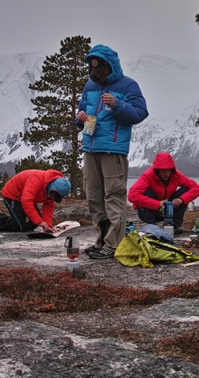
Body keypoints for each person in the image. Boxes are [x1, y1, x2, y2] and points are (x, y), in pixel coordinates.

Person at [75, 44, 148, 259]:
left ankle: (114, 245)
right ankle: (102, 241)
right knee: (94, 197)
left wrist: (117, 104)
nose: (97, 75)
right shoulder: (90, 86)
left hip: (113, 150)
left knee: (113, 195)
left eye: (101, 70)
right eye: (93, 70)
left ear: (110, 67)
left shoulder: (128, 86)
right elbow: (83, 111)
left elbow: (140, 113)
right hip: (90, 148)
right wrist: (79, 120)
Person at [128, 152, 199, 233]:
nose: (167, 174)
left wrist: (181, 199)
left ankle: (175, 225)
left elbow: (197, 189)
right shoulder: (148, 175)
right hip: (147, 213)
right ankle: (151, 226)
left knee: (185, 191)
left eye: (169, 170)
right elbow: (132, 195)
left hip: (167, 210)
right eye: (163, 171)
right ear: (157, 170)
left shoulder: (176, 175)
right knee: (147, 191)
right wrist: (158, 204)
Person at [0, 169, 71, 232]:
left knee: (35, 224)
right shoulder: (37, 178)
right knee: (22, 227)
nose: (52, 198)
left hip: (26, 198)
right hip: (12, 195)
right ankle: (0, 219)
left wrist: (48, 225)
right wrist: (40, 222)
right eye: (54, 195)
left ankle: (20, 219)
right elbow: (26, 201)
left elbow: (48, 206)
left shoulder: (51, 189)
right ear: (53, 189)